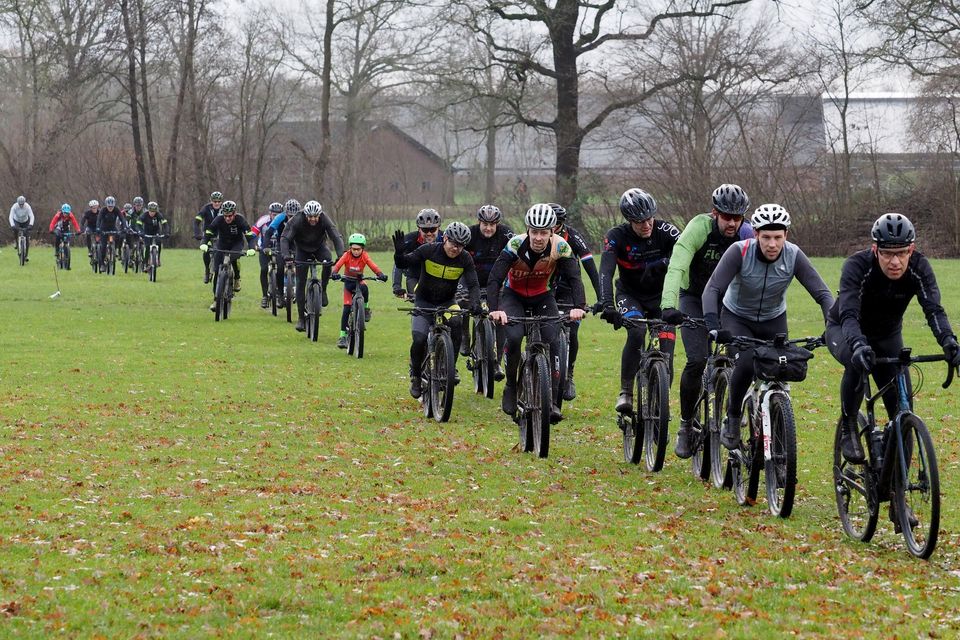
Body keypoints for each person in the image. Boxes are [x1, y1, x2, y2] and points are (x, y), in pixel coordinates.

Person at [827, 213, 960, 464]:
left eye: (901, 253)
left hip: (888, 335)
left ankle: (896, 491)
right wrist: (857, 344)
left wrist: (948, 341)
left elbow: (934, 310)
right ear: (875, 249)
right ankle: (849, 426)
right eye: (888, 254)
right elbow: (848, 313)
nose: (895, 261)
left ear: (912, 249)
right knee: (856, 363)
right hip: (845, 330)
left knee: (903, 413)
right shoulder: (857, 266)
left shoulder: (919, 267)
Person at [702, 204, 834, 450]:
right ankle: (732, 418)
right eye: (766, 237)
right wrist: (712, 323)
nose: (772, 244)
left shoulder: (794, 255)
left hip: (774, 319)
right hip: (737, 317)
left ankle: (778, 423)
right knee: (747, 361)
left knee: (781, 368)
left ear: (786, 235)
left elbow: (823, 294)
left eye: (778, 237)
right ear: (755, 235)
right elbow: (713, 288)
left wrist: (832, 325)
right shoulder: (738, 252)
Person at [660, 183, 754, 458]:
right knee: (697, 359)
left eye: (737, 218)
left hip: (727, 301)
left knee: (742, 357)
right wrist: (668, 305)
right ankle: (686, 425)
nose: (732, 224)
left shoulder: (747, 234)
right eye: (727, 217)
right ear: (715, 213)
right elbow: (677, 265)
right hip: (693, 298)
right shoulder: (699, 228)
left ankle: (735, 411)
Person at [487, 204, 587, 423]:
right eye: (535, 232)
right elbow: (495, 279)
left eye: (544, 232)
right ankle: (511, 386)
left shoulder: (560, 247)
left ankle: (552, 401)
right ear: (528, 230)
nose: (539, 238)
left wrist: (579, 305)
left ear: (552, 231)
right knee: (514, 337)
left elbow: (574, 278)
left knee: (552, 339)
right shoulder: (514, 245)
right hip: (513, 296)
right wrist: (494, 309)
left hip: (543, 296)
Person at [597, 189, 680, 414]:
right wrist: (607, 304)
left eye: (650, 218)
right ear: (629, 220)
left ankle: (659, 404)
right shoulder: (616, 236)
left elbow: (686, 254)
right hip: (630, 295)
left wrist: (666, 262)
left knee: (667, 349)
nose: (646, 225)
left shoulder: (666, 230)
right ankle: (626, 392)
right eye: (639, 221)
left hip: (662, 297)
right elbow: (606, 270)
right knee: (636, 332)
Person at [393, 221, 480, 399]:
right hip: (424, 301)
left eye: (461, 245)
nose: (456, 248)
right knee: (419, 339)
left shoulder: (465, 259)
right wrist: (399, 252)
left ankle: (449, 367)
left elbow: (473, 284)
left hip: (447, 302)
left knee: (456, 323)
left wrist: (476, 303)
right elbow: (403, 263)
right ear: (445, 238)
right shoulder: (429, 250)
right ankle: (416, 376)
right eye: (453, 243)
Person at [550, 202, 601, 400]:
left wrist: (602, 297)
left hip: (570, 288)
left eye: (556, 224)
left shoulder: (572, 235)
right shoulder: (537, 235)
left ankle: (568, 373)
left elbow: (589, 265)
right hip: (546, 286)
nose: (551, 228)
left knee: (572, 332)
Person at [279, 200, 345, 332]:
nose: (313, 219)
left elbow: (336, 237)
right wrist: (286, 256)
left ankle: (324, 290)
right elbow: (285, 238)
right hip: (302, 250)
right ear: (305, 215)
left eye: (316, 217)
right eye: (310, 217)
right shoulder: (297, 219)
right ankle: (301, 319)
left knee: (328, 261)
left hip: (319, 247)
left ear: (320, 215)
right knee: (301, 282)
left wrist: (341, 255)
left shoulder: (325, 219)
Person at [464, 204, 513, 378]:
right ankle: (465, 336)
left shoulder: (506, 234)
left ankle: (496, 362)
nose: (488, 228)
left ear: (498, 224)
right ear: (479, 222)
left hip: (497, 282)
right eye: (485, 224)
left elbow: (516, 257)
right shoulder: (469, 234)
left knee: (500, 319)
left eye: (492, 224)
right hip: (472, 281)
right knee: (462, 304)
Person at [331, 233, 389, 348]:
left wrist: (380, 274)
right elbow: (338, 265)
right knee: (346, 309)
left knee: (365, 288)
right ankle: (342, 336)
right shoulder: (346, 255)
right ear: (350, 248)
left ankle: (366, 308)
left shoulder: (365, 256)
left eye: (359, 249)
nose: (356, 251)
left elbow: (373, 266)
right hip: (348, 282)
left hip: (359, 280)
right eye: (354, 249)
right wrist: (334, 273)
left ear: (362, 249)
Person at [200, 200, 257, 310]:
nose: (227, 218)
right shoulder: (218, 219)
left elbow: (249, 235)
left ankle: (237, 278)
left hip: (236, 244)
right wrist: (204, 243)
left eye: (230, 216)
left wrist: (252, 248)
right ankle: (216, 300)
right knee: (217, 271)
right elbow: (209, 232)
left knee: (234, 258)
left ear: (234, 214)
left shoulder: (240, 220)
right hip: (222, 243)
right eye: (225, 216)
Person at [392, 208, 442, 298]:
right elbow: (398, 264)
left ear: (438, 228)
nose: (429, 233)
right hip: (415, 277)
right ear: (419, 229)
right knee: (420, 301)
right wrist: (397, 286)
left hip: (439, 278)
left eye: (433, 229)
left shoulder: (446, 239)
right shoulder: (409, 240)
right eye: (425, 230)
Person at [252, 202, 283, 308]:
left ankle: (279, 295)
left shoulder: (284, 222)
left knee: (280, 270)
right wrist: (255, 245)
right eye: (274, 214)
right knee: (264, 269)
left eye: (278, 214)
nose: (276, 217)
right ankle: (265, 296)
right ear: (270, 213)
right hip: (264, 248)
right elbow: (252, 234)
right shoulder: (263, 221)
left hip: (279, 248)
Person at [195, 191, 224, 284]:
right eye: (214, 201)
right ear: (211, 201)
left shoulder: (224, 209)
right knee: (206, 250)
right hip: (208, 233)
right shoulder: (206, 208)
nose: (216, 203)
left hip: (221, 233)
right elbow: (197, 221)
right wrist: (197, 233)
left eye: (218, 201)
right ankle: (207, 270)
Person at [96, 196, 124, 270]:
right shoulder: (103, 210)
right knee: (103, 246)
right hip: (103, 228)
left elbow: (122, 219)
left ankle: (116, 249)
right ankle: (102, 264)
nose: (110, 208)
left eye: (112, 206)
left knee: (119, 235)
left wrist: (125, 227)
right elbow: (98, 220)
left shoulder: (116, 210)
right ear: (106, 205)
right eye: (109, 206)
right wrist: (98, 228)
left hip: (112, 227)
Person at [9, 195, 34, 260]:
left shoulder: (27, 206)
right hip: (16, 221)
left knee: (27, 237)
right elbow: (10, 216)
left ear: (24, 203)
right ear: (18, 203)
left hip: (25, 222)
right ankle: (17, 244)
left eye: (22, 204)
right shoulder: (14, 206)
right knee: (16, 231)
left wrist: (31, 225)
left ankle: (26, 256)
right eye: (20, 204)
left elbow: (32, 216)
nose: (21, 206)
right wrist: (12, 225)